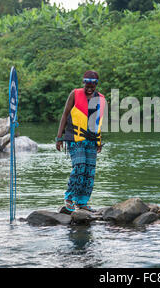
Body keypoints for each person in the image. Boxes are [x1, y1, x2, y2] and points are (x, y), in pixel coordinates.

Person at [56, 70, 106, 214]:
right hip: (74, 138)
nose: (90, 87)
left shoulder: (101, 99)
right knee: (79, 166)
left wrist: (98, 141)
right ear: (84, 82)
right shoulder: (75, 94)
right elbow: (65, 115)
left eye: (93, 84)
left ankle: (82, 202)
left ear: (97, 84)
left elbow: (98, 122)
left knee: (89, 171)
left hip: (91, 140)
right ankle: (70, 199)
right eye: (87, 83)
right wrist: (59, 137)